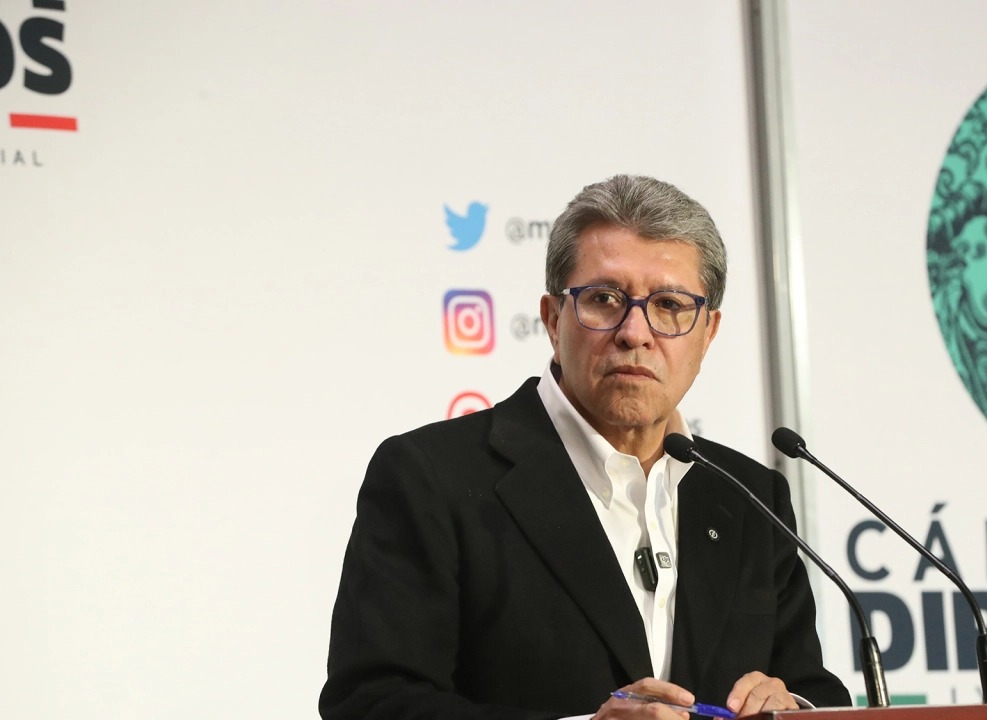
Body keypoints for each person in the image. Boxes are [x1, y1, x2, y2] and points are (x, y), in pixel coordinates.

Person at [320, 175, 850, 719]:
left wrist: (794, 709)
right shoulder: (432, 477)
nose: (635, 333)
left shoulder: (750, 497)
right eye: (604, 299)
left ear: (707, 333)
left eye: (669, 304)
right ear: (553, 321)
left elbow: (813, 688)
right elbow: (370, 704)